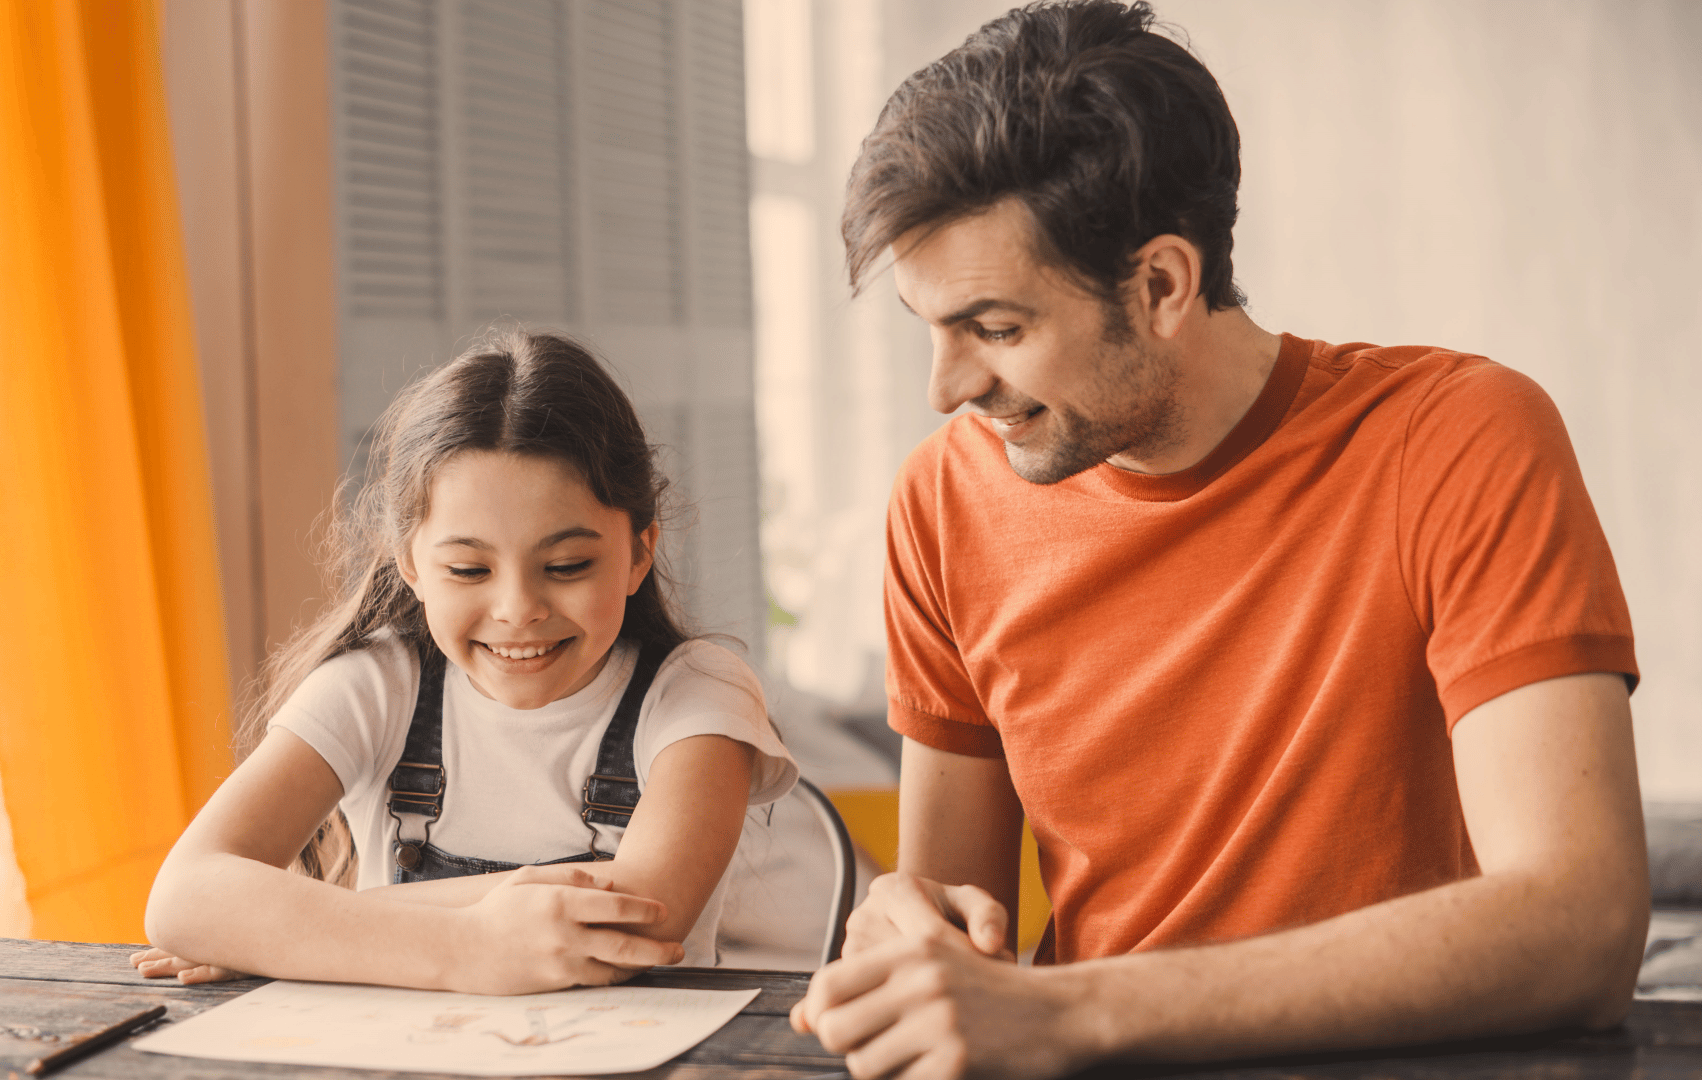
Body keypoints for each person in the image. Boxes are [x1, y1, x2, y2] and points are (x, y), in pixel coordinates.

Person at [791, 1, 1647, 1075]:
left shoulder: (1457, 435)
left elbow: (1583, 926)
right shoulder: (940, 502)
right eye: (932, 328)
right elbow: (960, 918)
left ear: (1160, 286)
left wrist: (1067, 1010)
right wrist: (908, 931)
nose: (948, 389)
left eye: (997, 330)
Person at [134, 329, 798, 993]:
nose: (518, 608)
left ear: (640, 551)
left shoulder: (698, 693)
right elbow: (185, 899)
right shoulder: (377, 686)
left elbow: (640, 920)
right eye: (468, 568)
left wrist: (289, 932)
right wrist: (466, 944)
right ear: (411, 564)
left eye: (566, 565)